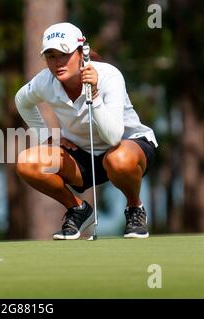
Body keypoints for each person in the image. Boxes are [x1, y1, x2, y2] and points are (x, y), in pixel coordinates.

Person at [15, 22, 158, 240]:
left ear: (82, 52)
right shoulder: (45, 81)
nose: (57, 63)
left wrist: (95, 95)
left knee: (117, 160)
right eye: (51, 56)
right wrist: (48, 138)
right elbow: (22, 101)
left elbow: (112, 137)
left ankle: (134, 208)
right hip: (82, 157)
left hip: (127, 147)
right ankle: (78, 209)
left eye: (64, 54)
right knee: (27, 162)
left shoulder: (109, 76)